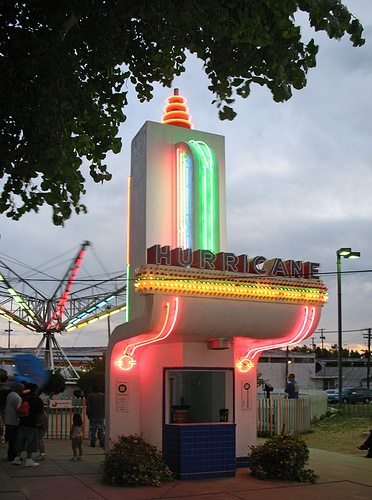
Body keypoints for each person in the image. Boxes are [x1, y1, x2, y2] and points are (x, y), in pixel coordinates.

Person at [13, 383, 44, 467]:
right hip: (32, 424)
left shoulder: (23, 398)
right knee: (30, 442)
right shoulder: (37, 400)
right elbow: (41, 414)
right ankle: (29, 460)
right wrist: (41, 422)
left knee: (20, 441)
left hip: (22, 423)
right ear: (36, 390)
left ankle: (17, 458)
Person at [4, 383, 24, 462]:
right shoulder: (17, 398)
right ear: (20, 389)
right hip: (14, 421)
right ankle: (14, 456)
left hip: (8, 420)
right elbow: (19, 411)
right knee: (15, 440)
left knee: (11, 440)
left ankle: (10, 455)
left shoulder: (10, 395)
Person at [35, 393, 48, 461]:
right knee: (40, 441)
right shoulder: (42, 412)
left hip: (41, 428)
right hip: (42, 428)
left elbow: (42, 423)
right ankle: (42, 454)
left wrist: (36, 425)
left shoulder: (42, 413)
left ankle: (42, 454)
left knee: (39, 441)